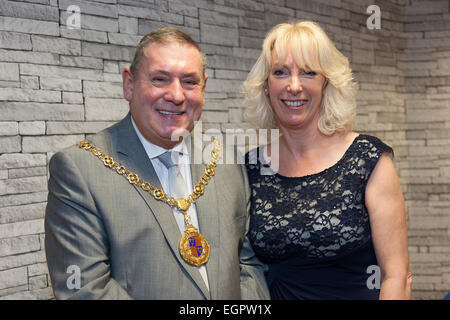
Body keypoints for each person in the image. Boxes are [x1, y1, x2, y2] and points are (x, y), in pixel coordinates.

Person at [45, 27, 269, 300]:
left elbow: (248, 266)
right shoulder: (79, 169)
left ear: (204, 88)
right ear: (129, 84)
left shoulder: (226, 162)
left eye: (189, 82)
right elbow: (84, 289)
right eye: (160, 79)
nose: (176, 95)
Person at [243, 21, 412, 300]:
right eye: (280, 72)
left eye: (309, 72)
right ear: (265, 85)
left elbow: (397, 276)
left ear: (327, 82)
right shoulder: (252, 166)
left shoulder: (367, 159)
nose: (293, 86)